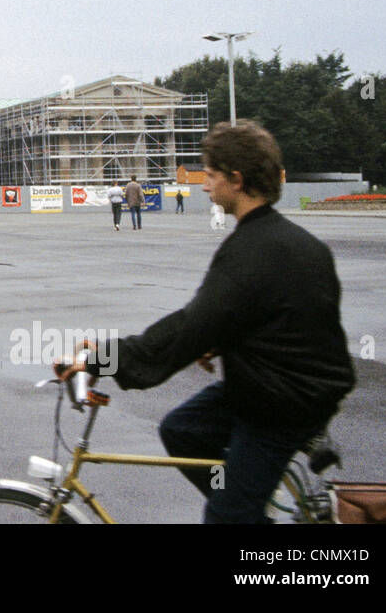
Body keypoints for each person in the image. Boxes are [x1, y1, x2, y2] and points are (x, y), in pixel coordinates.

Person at [57, 120, 355, 524]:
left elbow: (188, 328)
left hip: (283, 403)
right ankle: (240, 504)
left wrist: (101, 360)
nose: (203, 186)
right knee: (182, 430)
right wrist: (225, 339)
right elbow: (283, 321)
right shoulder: (298, 243)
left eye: (210, 176)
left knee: (225, 520)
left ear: (236, 179)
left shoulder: (252, 250)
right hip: (276, 384)